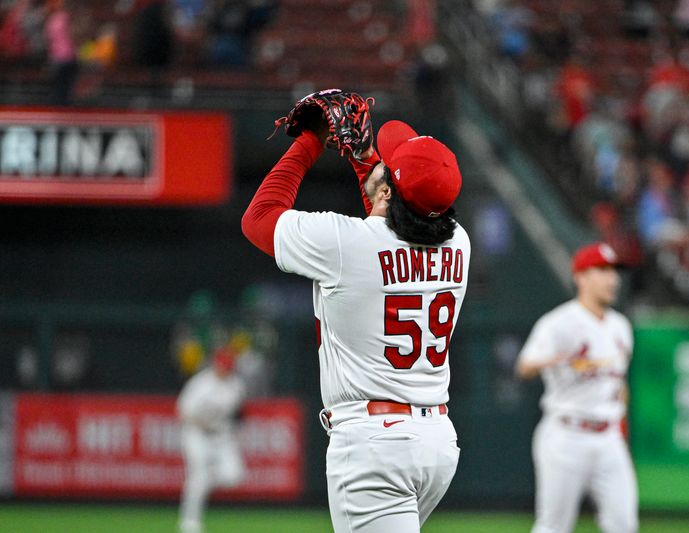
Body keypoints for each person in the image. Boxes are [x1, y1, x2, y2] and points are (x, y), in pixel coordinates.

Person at [241, 98, 470, 532]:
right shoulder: (458, 241)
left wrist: (311, 141)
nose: (382, 159)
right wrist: (365, 159)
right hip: (435, 441)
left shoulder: (346, 246)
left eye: (389, 162)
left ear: (386, 193)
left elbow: (259, 218)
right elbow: (390, 223)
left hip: (375, 445)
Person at [515, 243, 637, 533]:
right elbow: (524, 367)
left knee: (624, 524)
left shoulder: (621, 327)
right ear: (581, 277)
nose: (612, 279)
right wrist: (554, 359)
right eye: (602, 271)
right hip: (566, 435)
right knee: (554, 526)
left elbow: (619, 385)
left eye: (614, 272)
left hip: (608, 438)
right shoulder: (559, 323)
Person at [177, 348, 246, 533]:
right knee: (197, 478)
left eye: (228, 366)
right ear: (216, 364)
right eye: (222, 365)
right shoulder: (200, 383)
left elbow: (238, 414)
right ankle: (190, 523)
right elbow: (183, 412)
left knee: (234, 476)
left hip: (222, 435)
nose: (224, 369)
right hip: (197, 434)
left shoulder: (236, 385)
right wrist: (203, 423)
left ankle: (205, 480)